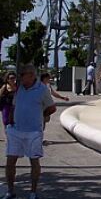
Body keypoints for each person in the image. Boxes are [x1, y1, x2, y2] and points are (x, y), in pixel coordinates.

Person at [4, 64, 57, 199]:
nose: (19, 77)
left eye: (22, 74)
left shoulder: (42, 89)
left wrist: (41, 115)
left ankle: (33, 192)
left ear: (32, 75)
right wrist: (10, 122)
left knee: (34, 161)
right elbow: (15, 105)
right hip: (16, 130)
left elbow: (51, 108)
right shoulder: (20, 88)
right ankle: (10, 191)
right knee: (10, 162)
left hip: (33, 131)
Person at [0, 72, 17, 138]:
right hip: (6, 106)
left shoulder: (17, 86)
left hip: (15, 106)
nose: (13, 79)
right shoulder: (4, 86)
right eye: (11, 78)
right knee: (6, 121)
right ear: (7, 79)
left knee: (14, 122)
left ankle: (13, 136)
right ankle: (8, 136)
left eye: (14, 78)